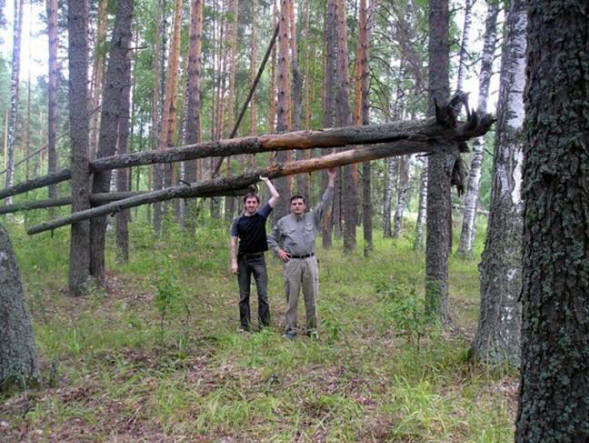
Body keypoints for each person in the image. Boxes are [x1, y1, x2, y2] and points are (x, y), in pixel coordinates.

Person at [268, 168, 336, 340]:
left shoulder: (313, 217)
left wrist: (331, 180)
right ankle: (290, 330)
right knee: (291, 298)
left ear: (304, 206)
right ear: (290, 206)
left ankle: (312, 330)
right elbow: (271, 239)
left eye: (300, 203)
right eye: (294, 204)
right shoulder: (283, 222)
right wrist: (279, 251)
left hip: (310, 262)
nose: (297, 206)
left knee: (311, 298)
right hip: (292, 263)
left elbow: (325, 202)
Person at [230, 176, 279, 331]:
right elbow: (233, 242)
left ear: (257, 204)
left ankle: (264, 326)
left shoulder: (261, 215)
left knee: (263, 295)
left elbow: (276, 196)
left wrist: (266, 181)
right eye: (249, 202)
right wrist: (234, 262)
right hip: (243, 261)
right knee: (244, 295)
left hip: (259, 260)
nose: (251, 204)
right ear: (244, 204)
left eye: (254, 202)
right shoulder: (237, 221)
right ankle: (245, 325)